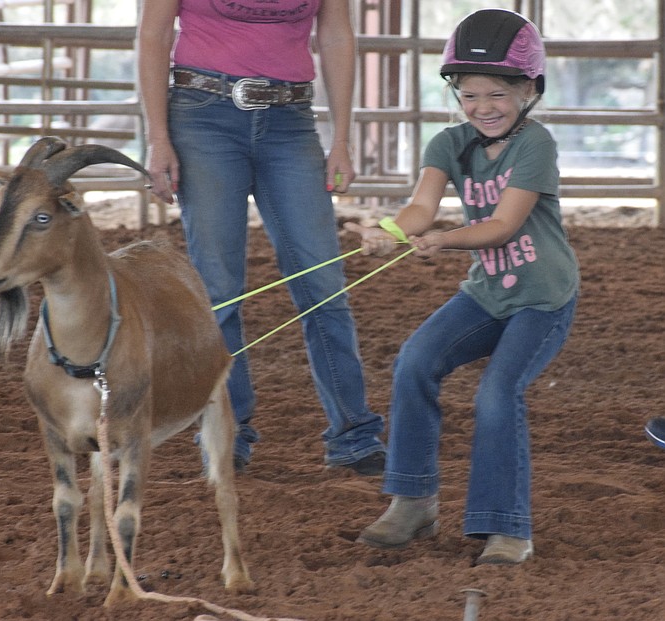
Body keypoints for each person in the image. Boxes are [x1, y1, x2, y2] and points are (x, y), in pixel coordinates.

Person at [345, 9, 579, 564]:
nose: (482, 107)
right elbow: (422, 208)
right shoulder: (448, 144)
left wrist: (446, 241)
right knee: (414, 362)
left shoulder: (536, 145)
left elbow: (504, 225)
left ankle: (508, 529)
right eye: (469, 95)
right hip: (488, 293)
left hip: (542, 300)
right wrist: (389, 232)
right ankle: (414, 500)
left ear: (528, 90)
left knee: (498, 393)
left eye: (497, 93)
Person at [136, 0, 386, 475]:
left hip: (291, 120)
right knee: (219, 290)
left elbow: (336, 34)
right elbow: (153, 35)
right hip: (202, 113)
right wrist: (158, 137)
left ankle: (355, 434)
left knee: (323, 283)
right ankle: (228, 433)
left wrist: (341, 139)